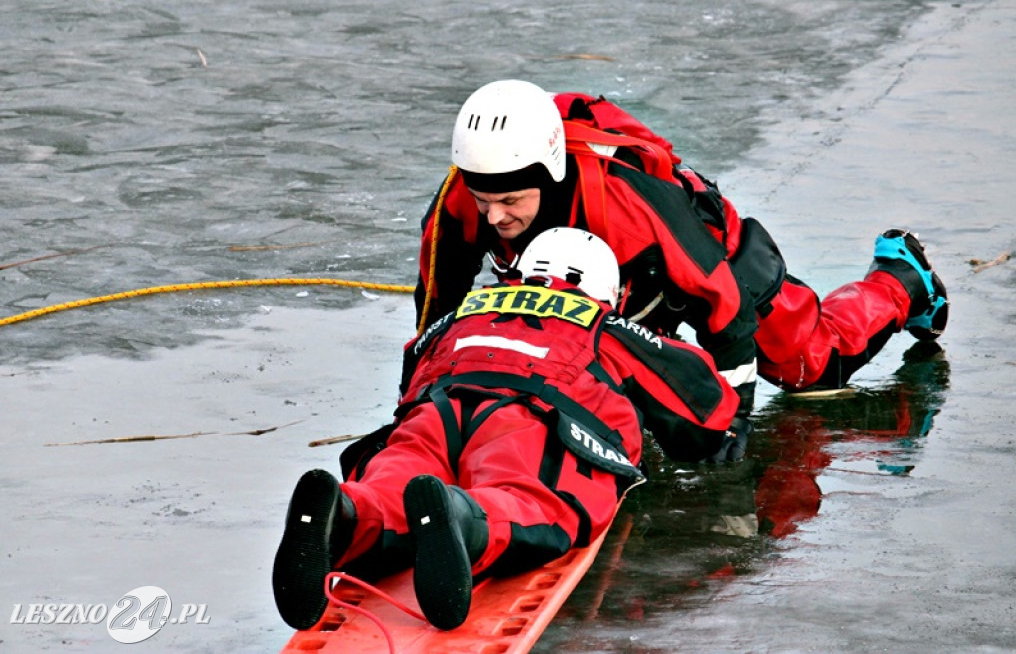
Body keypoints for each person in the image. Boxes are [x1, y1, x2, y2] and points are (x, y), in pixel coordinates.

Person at [273, 228, 741, 631]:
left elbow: (413, 361)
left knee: (397, 476)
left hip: (434, 408)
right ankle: (464, 520)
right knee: (532, 500)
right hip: (529, 417)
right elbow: (702, 405)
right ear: (604, 290)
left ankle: (348, 513)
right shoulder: (603, 323)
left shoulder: (461, 313)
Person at [415, 79, 949, 413]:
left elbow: (726, 307)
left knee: (810, 370)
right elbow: (437, 310)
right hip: (618, 287)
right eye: (483, 199)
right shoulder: (464, 196)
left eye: (509, 200)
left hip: (706, 257)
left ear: (548, 176)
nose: (493, 215)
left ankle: (901, 279)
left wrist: (733, 418)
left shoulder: (629, 205)